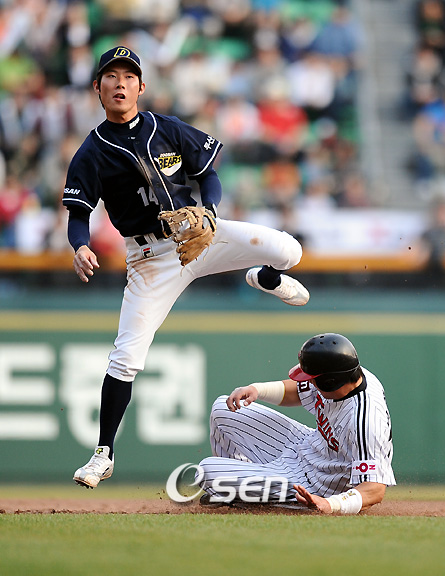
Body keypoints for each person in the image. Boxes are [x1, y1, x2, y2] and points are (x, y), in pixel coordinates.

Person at [63, 46, 309, 488]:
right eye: (111, 76)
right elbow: (78, 215)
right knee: (125, 357)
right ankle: (103, 453)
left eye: (129, 76)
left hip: (201, 233)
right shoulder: (91, 152)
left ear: (141, 86)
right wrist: (80, 246)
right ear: (97, 87)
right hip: (151, 259)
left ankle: (265, 277)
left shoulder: (167, 127)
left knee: (289, 250)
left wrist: (209, 211)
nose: (120, 83)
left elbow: (208, 172)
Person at [197, 333, 395, 514]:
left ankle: (254, 494)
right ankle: (246, 489)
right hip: (305, 445)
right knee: (223, 408)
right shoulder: (344, 372)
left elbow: (374, 489)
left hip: (317, 483)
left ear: (329, 382)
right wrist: (257, 389)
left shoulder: (366, 421)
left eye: (313, 379)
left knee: (206, 472)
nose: (309, 382)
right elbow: (297, 390)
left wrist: (331, 504)